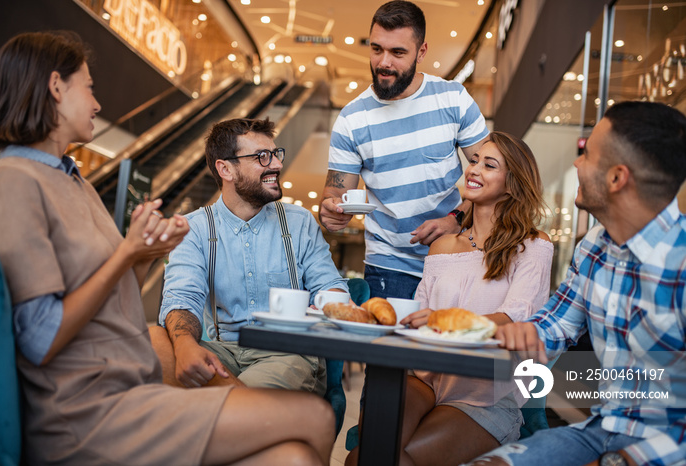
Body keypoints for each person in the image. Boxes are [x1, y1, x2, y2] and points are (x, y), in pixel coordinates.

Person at [0, 31, 334, 465]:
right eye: (89, 88)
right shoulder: (15, 182)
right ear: (56, 87)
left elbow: (121, 303)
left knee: (293, 457)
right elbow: (39, 339)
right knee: (315, 420)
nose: (96, 104)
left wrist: (143, 256)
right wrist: (128, 255)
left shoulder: (73, 181)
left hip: (125, 384)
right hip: (86, 410)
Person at [467, 101, 686, 466]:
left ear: (617, 178)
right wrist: (524, 334)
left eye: (587, 154)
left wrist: (616, 463)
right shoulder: (595, 248)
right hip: (601, 429)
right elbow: (553, 326)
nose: (576, 162)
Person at [345, 132, 553, 465]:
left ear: (513, 184)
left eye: (489, 165)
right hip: (422, 377)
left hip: (486, 393)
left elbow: (515, 318)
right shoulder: (443, 246)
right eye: (474, 161)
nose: (474, 169)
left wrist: (443, 321)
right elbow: (417, 318)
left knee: (396, 460)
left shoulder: (532, 245)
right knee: (362, 456)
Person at [156, 117, 348, 393]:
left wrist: (325, 304)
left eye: (276, 154)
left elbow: (331, 287)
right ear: (226, 169)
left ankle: (219, 408)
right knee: (154, 341)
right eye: (262, 157)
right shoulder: (194, 229)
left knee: (248, 388)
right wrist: (186, 346)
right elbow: (182, 298)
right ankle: (240, 414)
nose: (277, 164)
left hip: (287, 353)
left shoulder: (299, 222)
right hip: (223, 351)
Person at [319, 0, 490, 300]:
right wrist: (331, 212)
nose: (384, 62)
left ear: (421, 52)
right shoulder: (351, 119)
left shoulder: (454, 99)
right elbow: (334, 196)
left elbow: (495, 179)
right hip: (388, 269)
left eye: (398, 52)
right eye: (376, 49)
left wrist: (456, 218)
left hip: (454, 258)